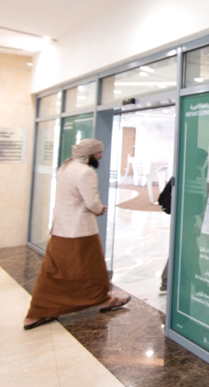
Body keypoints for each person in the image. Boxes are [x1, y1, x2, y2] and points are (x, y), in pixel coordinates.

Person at [24, 138, 131, 330]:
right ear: (90, 154)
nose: (100, 156)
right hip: (80, 230)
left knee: (55, 270)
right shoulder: (86, 172)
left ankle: (45, 309)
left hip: (60, 228)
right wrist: (99, 209)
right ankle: (101, 300)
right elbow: (91, 202)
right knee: (91, 268)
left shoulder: (66, 167)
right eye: (98, 152)